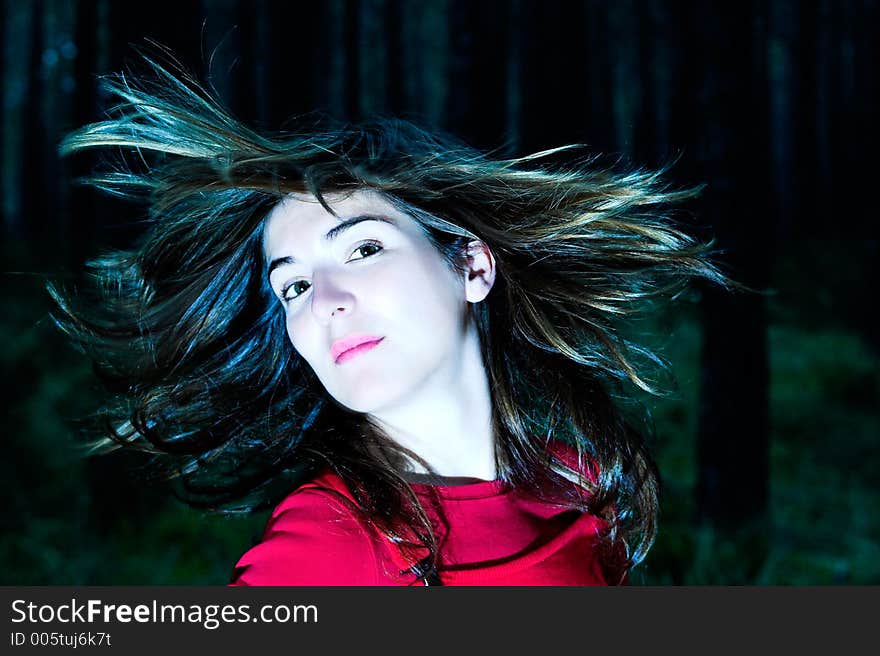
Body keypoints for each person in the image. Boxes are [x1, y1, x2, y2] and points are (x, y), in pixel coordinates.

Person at [50, 53, 730, 586]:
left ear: (471, 267)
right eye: (291, 286)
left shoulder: (583, 484)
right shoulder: (324, 548)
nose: (324, 301)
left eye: (364, 248)